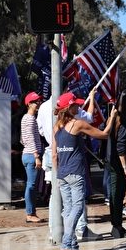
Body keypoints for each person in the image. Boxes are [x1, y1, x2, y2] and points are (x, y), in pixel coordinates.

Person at [52, 91, 116, 250]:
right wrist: (112, 117)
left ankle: (73, 246)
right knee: (77, 208)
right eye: (76, 105)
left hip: (62, 174)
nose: (79, 107)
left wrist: (59, 174)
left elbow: (53, 155)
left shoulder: (57, 126)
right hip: (75, 173)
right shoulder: (77, 124)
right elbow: (104, 134)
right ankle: (66, 244)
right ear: (69, 107)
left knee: (68, 210)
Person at [37, 88, 98, 241]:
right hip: (68, 155)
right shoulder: (70, 112)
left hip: (52, 153)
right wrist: (91, 98)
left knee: (55, 196)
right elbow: (89, 118)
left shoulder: (43, 107)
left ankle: (54, 231)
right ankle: (79, 229)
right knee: (77, 196)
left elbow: (41, 130)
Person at [100, 88, 126, 238]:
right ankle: (117, 227)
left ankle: (117, 226)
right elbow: (121, 147)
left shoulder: (113, 118)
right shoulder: (123, 122)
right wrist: (125, 168)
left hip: (111, 161)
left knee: (116, 195)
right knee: (117, 195)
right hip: (117, 164)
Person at [21, 91, 43, 223]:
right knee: (31, 185)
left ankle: (31, 212)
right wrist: (36, 156)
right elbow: (29, 139)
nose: (38, 103)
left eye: (38, 101)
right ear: (29, 104)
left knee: (32, 185)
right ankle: (30, 213)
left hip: (28, 154)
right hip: (31, 155)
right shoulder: (29, 119)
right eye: (35, 101)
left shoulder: (29, 118)